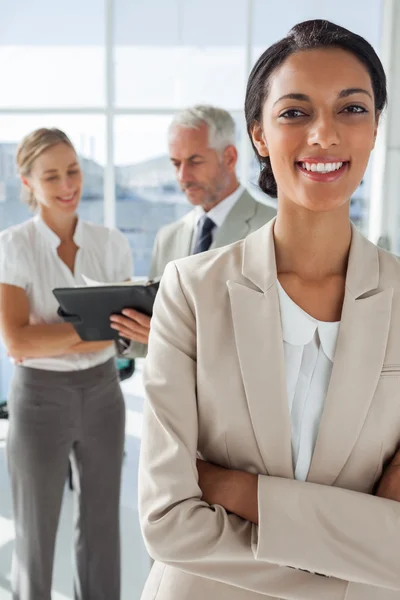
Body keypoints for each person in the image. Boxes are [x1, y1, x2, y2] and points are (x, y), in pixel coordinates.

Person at [138, 20, 400, 600]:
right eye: (295, 113)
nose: (324, 134)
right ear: (259, 134)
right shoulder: (192, 289)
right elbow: (166, 520)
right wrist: (353, 562)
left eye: (352, 109)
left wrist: (233, 489)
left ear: (377, 126)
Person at [0, 128, 133, 600]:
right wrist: (94, 329)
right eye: (51, 175)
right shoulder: (13, 246)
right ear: (28, 182)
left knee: (102, 529)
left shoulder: (111, 243)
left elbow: (122, 333)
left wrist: (54, 337)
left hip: (103, 393)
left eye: (73, 170)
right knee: (35, 534)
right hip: (39, 399)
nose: (67, 184)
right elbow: (17, 338)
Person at [110, 105, 276, 355]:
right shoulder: (168, 237)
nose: (182, 176)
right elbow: (153, 332)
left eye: (194, 161)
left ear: (229, 158)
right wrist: (125, 330)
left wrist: (168, 335)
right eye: (176, 163)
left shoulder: (274, 226)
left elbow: (273, 331)